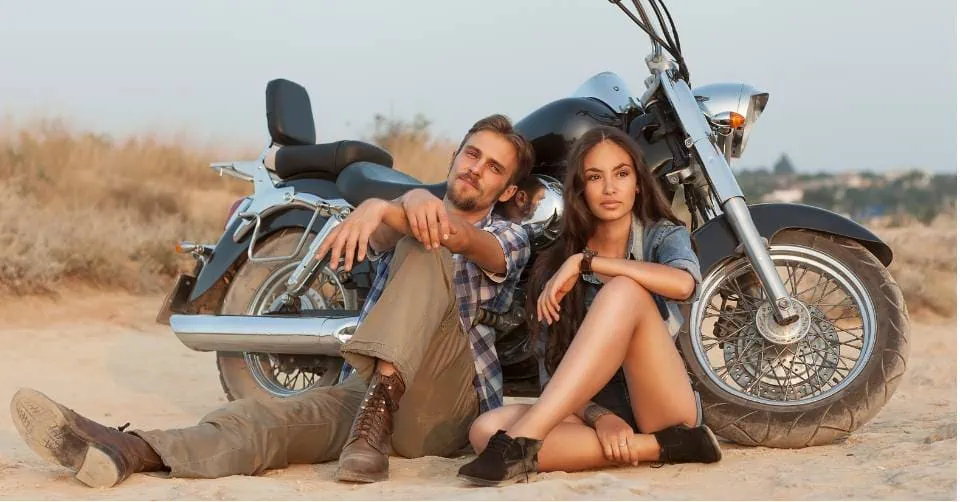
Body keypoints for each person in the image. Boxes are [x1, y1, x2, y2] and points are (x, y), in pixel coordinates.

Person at [9, 114, 534, 488]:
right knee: (269, 420)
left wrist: (403, 200)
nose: (475, 169)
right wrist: (386, 207)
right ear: (455, 155)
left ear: (508, 191)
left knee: (429, 238)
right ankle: (130, 450)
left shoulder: (510, 237)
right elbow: (386, 234)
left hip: (445, 410)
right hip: (372, 400)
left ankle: (374, 417)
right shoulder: (399, 223)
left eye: (493, 168)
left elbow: (465, 242)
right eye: (471, 154)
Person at [457, 126, 722, 486]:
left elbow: (684, 284)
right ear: (580, 188)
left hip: (663, 403)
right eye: (595, 177)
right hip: (589, 414)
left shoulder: (662, 236)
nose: (610, 188)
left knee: (624, 290)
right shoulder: (553, 265)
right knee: (485, 429)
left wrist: (589, 263)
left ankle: (522, 443)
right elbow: (552, 372)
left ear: (639, 183)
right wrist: (600, 417)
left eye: (622, 174)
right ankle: (668, 447)